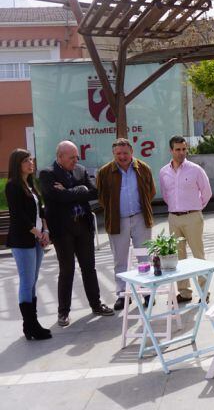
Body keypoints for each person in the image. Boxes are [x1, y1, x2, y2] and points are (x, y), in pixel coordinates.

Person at [39, 141, 114, 327]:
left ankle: (96, 305)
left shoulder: (80, 170)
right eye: (71, 157)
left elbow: (94, 192)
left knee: (89, 268)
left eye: (76, 156)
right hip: (63, 230)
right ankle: (63, 313)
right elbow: (56, 197)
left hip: (83, 226)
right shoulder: (47, 174)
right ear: (60, 157)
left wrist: (72, 192)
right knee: (67, 270)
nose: (76, 160)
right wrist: (79, 191)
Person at [96, 138, 156, 311]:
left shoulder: (143, 168)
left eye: (125, 153)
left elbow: (150, 191)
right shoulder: (105, 172)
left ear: (132, 153)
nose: (122, 156)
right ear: (113, 154)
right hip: (117, 220)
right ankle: (123, 295)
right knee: (120, 260)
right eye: (118, 154)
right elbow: (102, 197)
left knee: (144, 257)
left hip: (140, 218)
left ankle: (146, 292)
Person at [159, 136, 212, 303]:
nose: (182, 152)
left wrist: (195, 209)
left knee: (198, 255)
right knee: (177, 256)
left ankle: (204, 292)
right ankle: (184, 292)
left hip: (193, 217)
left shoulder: (195, 170)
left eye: (184, 149)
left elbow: (207, 193)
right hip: (173, 218)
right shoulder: (163, 172)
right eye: (178, 149)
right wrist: (177, 209)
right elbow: (166, 195)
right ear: (171, 150)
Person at [6, 149, 52, 340]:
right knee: (27, 282)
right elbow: (19, 216)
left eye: (31, 159)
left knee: (32, 281)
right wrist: (38, 233)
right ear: (18, 164)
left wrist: (46, 231)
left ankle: (31, 325)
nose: (31, 163)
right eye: (26, 160)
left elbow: (41, 212)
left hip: (37, 239)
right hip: (22, 240)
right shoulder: (13, 186)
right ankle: (31, 324)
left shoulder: (31, 185)